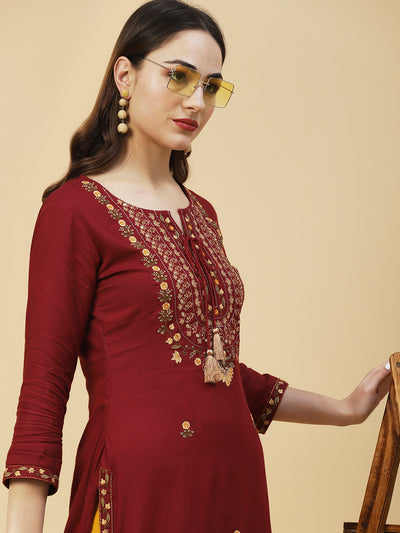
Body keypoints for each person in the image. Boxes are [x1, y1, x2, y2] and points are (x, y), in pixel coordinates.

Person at [3, 1, 392, 532]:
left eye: (211, 86)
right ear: (125, 75)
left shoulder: (201, 213)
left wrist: (346, 409)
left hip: (233, 485)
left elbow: (214, 371)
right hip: (139, 491)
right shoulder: (74, 211)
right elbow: (43, 393)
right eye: (179, 76)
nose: (197, 101)